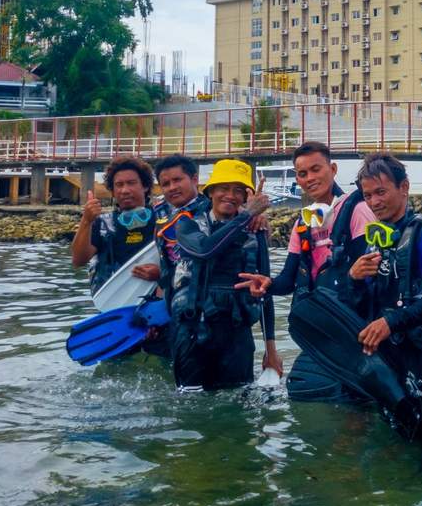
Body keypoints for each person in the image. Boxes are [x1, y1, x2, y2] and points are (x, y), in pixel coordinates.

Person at [234, 141, 375, 401]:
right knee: (302, 388)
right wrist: (268, 284)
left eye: (316, 169)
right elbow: (289, 280)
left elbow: (370, 273)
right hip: (322, 326)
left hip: (355, 324)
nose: (309, 178)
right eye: (302, 173)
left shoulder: (357, 210)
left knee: (337, 397)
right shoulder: (303, 223)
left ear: (333, 169)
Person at [348, 153, 422, 421]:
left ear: (404, 187)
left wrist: (391, 322)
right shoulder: (375, 242)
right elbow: (364, 303)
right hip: (387, 357)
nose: (374, 202)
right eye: (368, 195)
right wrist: (354, 280)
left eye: (381, 192)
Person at [155, 154, 280, 377]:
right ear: (210, 191)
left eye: (238, 191)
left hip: (237, 330)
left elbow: (265, 292)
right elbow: (205, 250)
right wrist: (247, 215)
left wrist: (271, 350)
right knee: (189, 395)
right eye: (223, 188)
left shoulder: (255, 231)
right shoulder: (186, 224)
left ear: (246, 196)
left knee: (239, 395)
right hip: (192, 328)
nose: (230, 196)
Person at [71, 155, 161, 295]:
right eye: (119, 185)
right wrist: (86, 221)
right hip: (115, 299)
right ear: (112, 191)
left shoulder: (163, 221)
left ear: (145, 186)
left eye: (131, 183)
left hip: (156, 300)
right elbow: (78, 260)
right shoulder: (102, 224)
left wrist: (162, 273)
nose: (125, 190)